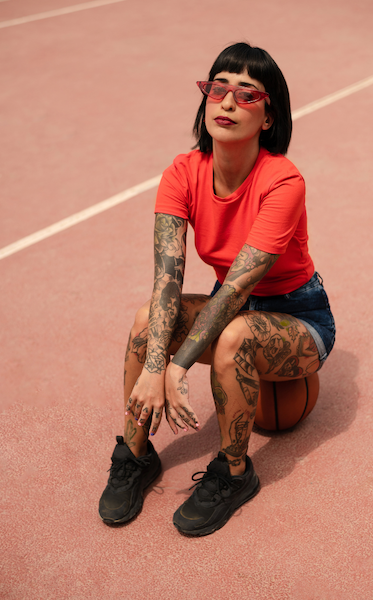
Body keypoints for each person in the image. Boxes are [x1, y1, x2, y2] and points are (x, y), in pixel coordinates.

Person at [98, 42, 336, 536]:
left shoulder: (283, 181)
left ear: (269, 116)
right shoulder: (182, 172)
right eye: (218, 88)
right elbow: (168, 279)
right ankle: (134, 454)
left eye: (247, 94)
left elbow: (232, 291)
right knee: (148, 320)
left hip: (299, 315)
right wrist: (156, 362)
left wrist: (176, 364)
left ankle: (233, 473)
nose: (227, 102)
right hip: (235, 309)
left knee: (234, 337)